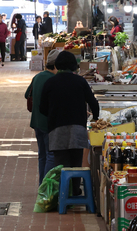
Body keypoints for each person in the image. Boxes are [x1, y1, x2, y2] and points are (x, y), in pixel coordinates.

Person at [40, 51, 99, 195]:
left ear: (57, 65)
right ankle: (75, 191)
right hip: (78, 129)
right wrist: (95, 119)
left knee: (61, 165)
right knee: (76, 164)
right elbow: (93, 103)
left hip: (57, 130)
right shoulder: (80, 81)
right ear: (74, 66)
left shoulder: (50, 82)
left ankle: (64, 195)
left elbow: (42, 108)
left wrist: (54, 115)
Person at [25, 49, 59, 185]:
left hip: (36, 121)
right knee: (51, 154)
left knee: (42, 155)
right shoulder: (54, 80)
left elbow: (27, 94)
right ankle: (46, 187)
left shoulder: (38, 77)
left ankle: (41, 185)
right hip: (48, 123)